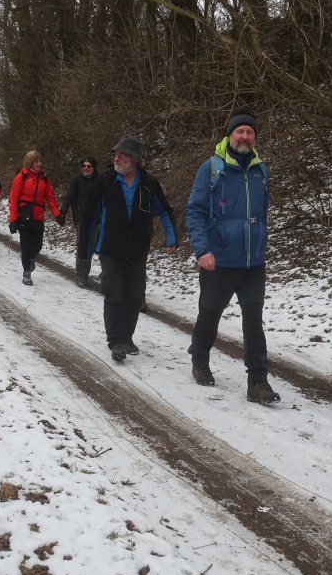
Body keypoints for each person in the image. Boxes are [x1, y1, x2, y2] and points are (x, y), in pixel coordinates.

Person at [184, 109, 279, 404]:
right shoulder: (212, 168)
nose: (245, 137)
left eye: (250, 132)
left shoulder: (260, 170)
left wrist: (260, 242)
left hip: (253, 263)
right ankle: (200, 358)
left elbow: (261, 214)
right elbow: (195, 211)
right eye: (240, 131)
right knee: (209, 314)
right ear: (230, 135)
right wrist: (203, 249)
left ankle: (258, 381)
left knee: (254, 322)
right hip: (220, 260)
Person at [77, 136, 177, 361]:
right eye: (116, 154)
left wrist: (172, 238)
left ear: (135, 159)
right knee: (114, 292)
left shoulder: (149, 182)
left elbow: (164, 210)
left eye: (122, 155)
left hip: (138, 251)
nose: (117, 158)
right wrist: (84, 249)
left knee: (134, 296)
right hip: (110, 249)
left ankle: (127, 337)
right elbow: (90, 216)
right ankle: (116, 341)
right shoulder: (106, 180)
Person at [8, 150, 65, 285]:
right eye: (36, 161)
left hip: (38, 217)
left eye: (40, 161)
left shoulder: (44, 178)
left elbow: (50, 198)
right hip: (24, 216)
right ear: (30, 162)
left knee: (37, 245)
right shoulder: (21, 177)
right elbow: (13, 200)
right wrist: (13, 220)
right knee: (26, 246)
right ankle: (26, 273)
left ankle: (30, 258)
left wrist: (57, 214)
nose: (39, 164)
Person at [58, 156, 99, 286]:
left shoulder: (99, 181)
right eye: (84, 166)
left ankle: (84, 275)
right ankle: (81, 275)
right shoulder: (76, 179)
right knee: (82, 245)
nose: (85, 168)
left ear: (94, 168)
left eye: (89, 166)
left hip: (94, 218)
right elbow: (69, 196)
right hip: (80, 217)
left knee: (90, 246)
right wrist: (63, 212)